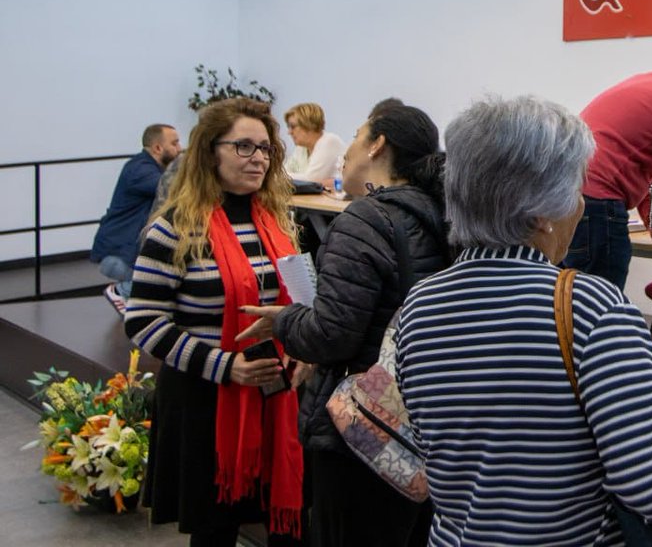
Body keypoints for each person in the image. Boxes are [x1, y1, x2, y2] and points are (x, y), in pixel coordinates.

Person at [394, 95, 652, 544]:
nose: (580, 205)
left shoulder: (420, 306)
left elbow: (438, 456)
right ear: (542, 212)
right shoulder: (593, 309)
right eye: (577, 189)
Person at [238, 102, 450, 546]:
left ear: (377, 145)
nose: (345, 152)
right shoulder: (446, 217)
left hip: (367, 431)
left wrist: (287, 321)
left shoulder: (365, 219)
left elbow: (331, 336)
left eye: (356, 136)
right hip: (431, 422)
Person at [124, 98, 304, 547]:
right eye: (243, 146)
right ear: (210, 152)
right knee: (215, 532)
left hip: (275, 396)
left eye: (265, 148)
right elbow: (144, 321)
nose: (258, 157)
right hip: (205, 402)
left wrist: (302, 343)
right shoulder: (175, 229)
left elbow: (304, 300)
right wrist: (227, 366)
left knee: (286, 523)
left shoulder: (280, 223)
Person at [563, 68, 652, 290]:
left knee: (568, 300)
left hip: (565, 191)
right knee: (600, 299)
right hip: (596, 197)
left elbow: (640, 164)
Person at [92, 123, 181, 296]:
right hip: (120, 256)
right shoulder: (140, 170)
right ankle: (120, 291)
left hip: (123, 252)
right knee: (157, 285)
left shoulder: (147, 168)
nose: (180, 148)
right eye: (175, 143)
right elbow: (174, 189)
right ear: (157, 148)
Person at [283, 102, 346, 185]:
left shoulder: (329, 141)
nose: (289, 132)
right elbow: (284, 172)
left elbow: (311, 179)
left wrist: (282, 175)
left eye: (293, 126)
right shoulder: (301, 148)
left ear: (308, 125)